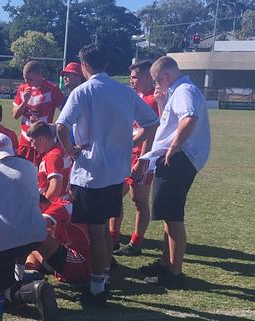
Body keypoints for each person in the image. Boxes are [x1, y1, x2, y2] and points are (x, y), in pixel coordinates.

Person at [55, 44, 159, 306]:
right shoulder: (124, 91)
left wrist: (70, 150)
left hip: (91, 173)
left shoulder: (83, 91)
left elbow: (61, 126)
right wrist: (132, 143)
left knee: (97, 232)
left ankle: (97, 286)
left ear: (84, 66)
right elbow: (151, 123)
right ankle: (100, 280)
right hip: (115, 172)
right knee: (103, 230)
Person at [135, 56, 211, 287]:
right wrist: (160, 102)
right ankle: (166, 263)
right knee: (167, 213)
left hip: (179, 158)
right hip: (177, 157)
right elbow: (171, 122)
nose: (157, 84)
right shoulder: (178, 91)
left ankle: (174, 271)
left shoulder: (183, 91)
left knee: (172, 215)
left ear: (166, 76)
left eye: (158, 80)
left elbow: (189, 118)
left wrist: (174, 147)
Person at [0, 133, 56, 321]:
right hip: (37, 234)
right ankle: (19, 277)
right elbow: (40, 199)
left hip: (6, 240)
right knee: (19, 247)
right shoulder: (29, 167)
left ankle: (32, 291)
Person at [112, 60, 160, 256]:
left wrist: (143, 160)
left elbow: (151, 132)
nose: (131, 81)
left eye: (134, 77)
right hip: (126, 155)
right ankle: (112, 237)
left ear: (147, 77)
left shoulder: (153, 100)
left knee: (139, 200)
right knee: (114, 196)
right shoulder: (136, 97)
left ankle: (136, 243)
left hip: (142, 157)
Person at [12, 60, 64, 164]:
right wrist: (24, 102)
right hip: (25, 140)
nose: (27, 82)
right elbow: (15, 115)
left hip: (42, 142)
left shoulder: (52, 90)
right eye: (25, 79)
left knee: (41, 174)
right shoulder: (22, 89)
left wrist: (53, 128)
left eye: (30, 79)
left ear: (40, 75)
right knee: (23, 172)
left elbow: (66, 113)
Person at [26, 122, 72, 203]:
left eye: (32, 141)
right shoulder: (60, 150)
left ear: (40, 139)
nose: (32, 145)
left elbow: (55, 186)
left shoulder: (52, 156)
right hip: (63, 201)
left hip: (55, 204)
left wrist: (43, 205)